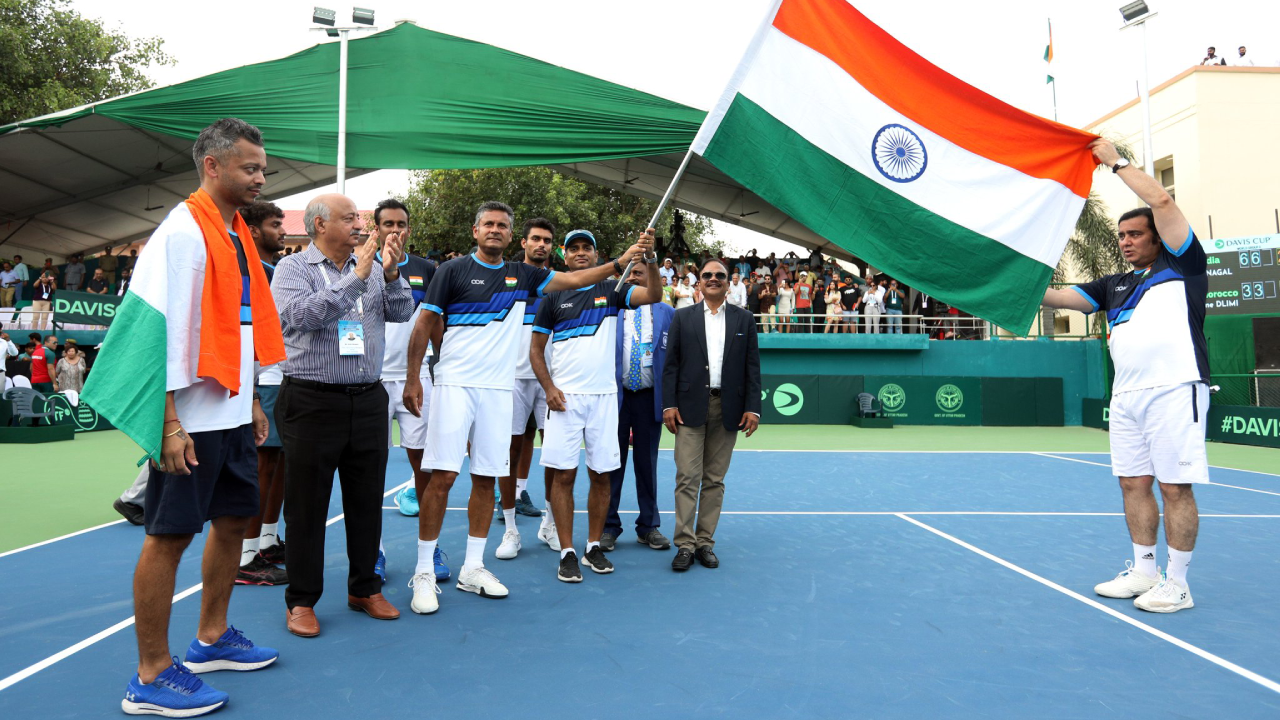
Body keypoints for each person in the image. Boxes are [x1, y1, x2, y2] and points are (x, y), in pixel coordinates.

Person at [82, 118, 284, 716]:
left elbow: (238, 325)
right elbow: (155, 330)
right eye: (250, 168)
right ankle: (149, 676)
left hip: (229, 411)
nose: (260, 178)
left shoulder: (234, 235)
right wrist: (167, 421)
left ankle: (213, 638)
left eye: (263, 168)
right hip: (189, 420)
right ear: (213, 166)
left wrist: (247, 398)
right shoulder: (181, 233)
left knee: (233, 522)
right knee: (168, 538)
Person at [399, 201, 650, 614]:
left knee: (485, 479)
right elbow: (424, 325)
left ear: (509, 234)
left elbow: (573, 278)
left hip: (498, 392)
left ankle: (473, 567)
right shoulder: (452, 271)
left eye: (502, 225)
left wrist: (618, 263)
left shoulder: (527, 276)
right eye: (489, 225)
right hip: (455, 386)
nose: (494, 230)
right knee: (442, 476)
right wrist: (414, 377)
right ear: (476, 231)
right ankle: (425, 572)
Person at [1040, 138, 1206, 614]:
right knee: (1133, 484)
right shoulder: (1113, 286)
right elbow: (1060, 298)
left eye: (1135, 233)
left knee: (1174, 488)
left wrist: (1114, 162)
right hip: (1128, 396)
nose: (1126, 240)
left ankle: (1177, 584)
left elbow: (1162, 200)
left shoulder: (1183, 266)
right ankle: (1144, 570)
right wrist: (998, 282)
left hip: (1176, 390)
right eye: (1121, 236)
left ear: (1159, 237)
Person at [272, 190, 412, 636]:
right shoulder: (293, 269)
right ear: (319, 225)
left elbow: (402, 311)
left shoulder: (371, 268)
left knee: (367, 500)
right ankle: (301, 600)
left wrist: (391, 274)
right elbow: (300, 317)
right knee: (306, 507)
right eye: (350, 217)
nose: (361, 224)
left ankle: (364, 588)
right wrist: (358, 278)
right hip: (311, 400)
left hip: (368, 399)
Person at [530, 228, 662, 582]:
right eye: (573, 248)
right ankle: (566, 551)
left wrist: (649, 259)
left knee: (602, 475)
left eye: (587, 247)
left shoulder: (613, 291)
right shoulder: (553, 297)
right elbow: (535, 350)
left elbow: (652, 294)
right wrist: (549, 387)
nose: (581, 252)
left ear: (595, 252)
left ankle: (592, 546)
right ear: (564, 256)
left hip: (605, 399)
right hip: (565, 400)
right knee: (563, 476)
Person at [663, 260, 761, 572]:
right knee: (687, 478)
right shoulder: (682, 317)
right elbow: (671, 365)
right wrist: (668, 404)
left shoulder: (744, 319)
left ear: (728, 283)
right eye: (708, 275)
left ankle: (704, 542)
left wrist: (752, 407)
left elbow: (752, 368)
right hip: (690, 406)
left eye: (720, 275)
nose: (714, 279)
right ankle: (684, 544)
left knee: (715, 480)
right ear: (699, 283)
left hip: (728, 407)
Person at [233, 201, 290, 588]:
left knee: (281, 463)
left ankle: (267, 540)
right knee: (263, 465)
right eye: (274, 224)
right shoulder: (253, 270)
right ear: (253, 231)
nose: (282, 230)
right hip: (266, 379)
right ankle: (246, 556)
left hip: (285, 377)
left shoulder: (272, 270)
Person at [603, 260, 674, 554]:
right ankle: (608, 526)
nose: (632, 277)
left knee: (647, 465)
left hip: (648, 398)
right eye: (629, 273)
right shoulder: (611, 308)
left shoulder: (667, 313)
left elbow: (674, 361)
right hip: (615, 399)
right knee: (610, 466)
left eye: (639, 273)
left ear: (652, 278)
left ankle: (649, 527)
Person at [497, 217, 557, 563]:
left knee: (555, 454)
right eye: (535, 239)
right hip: (511, 379)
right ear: (523, 243)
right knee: (510, 450)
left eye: (547, 241)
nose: (541, 245)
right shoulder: (506, 279)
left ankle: (550, 523)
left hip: (550, 381)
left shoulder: (559, 284)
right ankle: (510, 528)